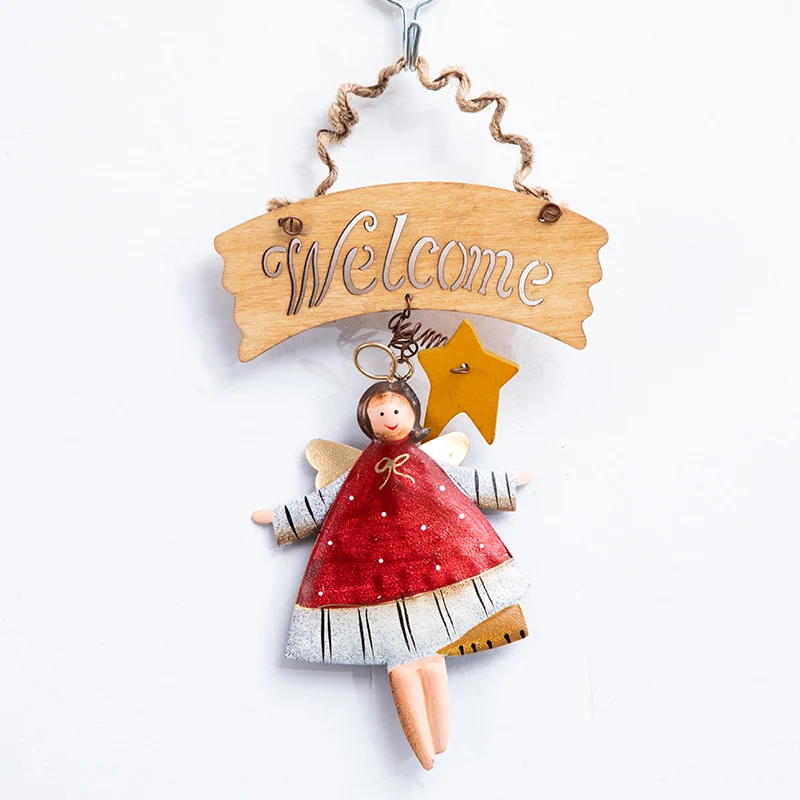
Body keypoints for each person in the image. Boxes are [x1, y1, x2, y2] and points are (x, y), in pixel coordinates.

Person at [253, 380, 532, 770]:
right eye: (381, 413)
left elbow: (463, 480)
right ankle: (424, 746)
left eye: (396, 411)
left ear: (412, 414)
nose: (390, 418)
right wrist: (283, 518)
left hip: (434, 569)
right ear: (367, 421)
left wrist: (506, 482)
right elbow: (324, 501)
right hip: (368, 577)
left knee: (431, 656)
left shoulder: (423, 461)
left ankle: (439, 739)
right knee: (401, 664)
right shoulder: (361, 470)